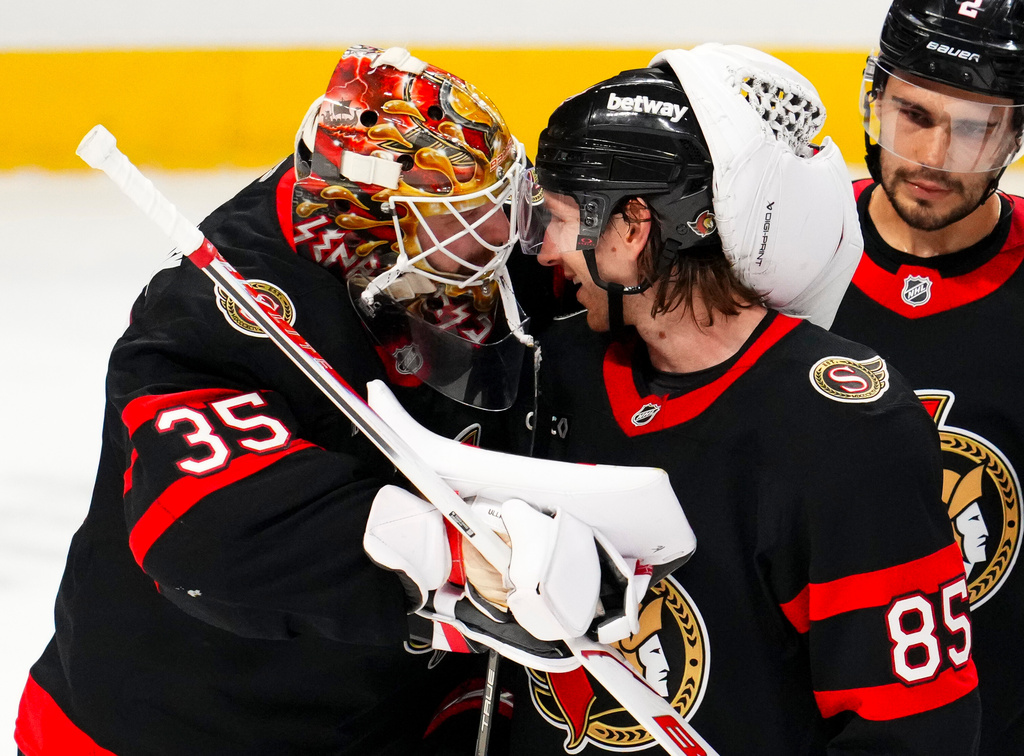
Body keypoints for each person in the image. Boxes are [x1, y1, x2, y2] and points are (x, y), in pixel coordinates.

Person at [13, 44, 548, 756]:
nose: (503, 240)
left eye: (498, 208)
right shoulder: (211, 314)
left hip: (361, 714)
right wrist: (440, 547)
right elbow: (203, 523)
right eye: (465, 221)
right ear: (371, 218)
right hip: (162, 725)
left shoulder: (442, 266)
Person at [504, 43, 981, 754]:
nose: (546, 251)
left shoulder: (842, 430)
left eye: (567, 219)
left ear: (635, 228)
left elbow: (914, 730)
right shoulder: (556, 367)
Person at [828, 1, 1024, 751]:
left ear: (1015, 133)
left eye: (975, 126)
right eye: (914, 114)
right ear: (875, 99)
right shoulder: (781, 265)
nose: (937, 155)